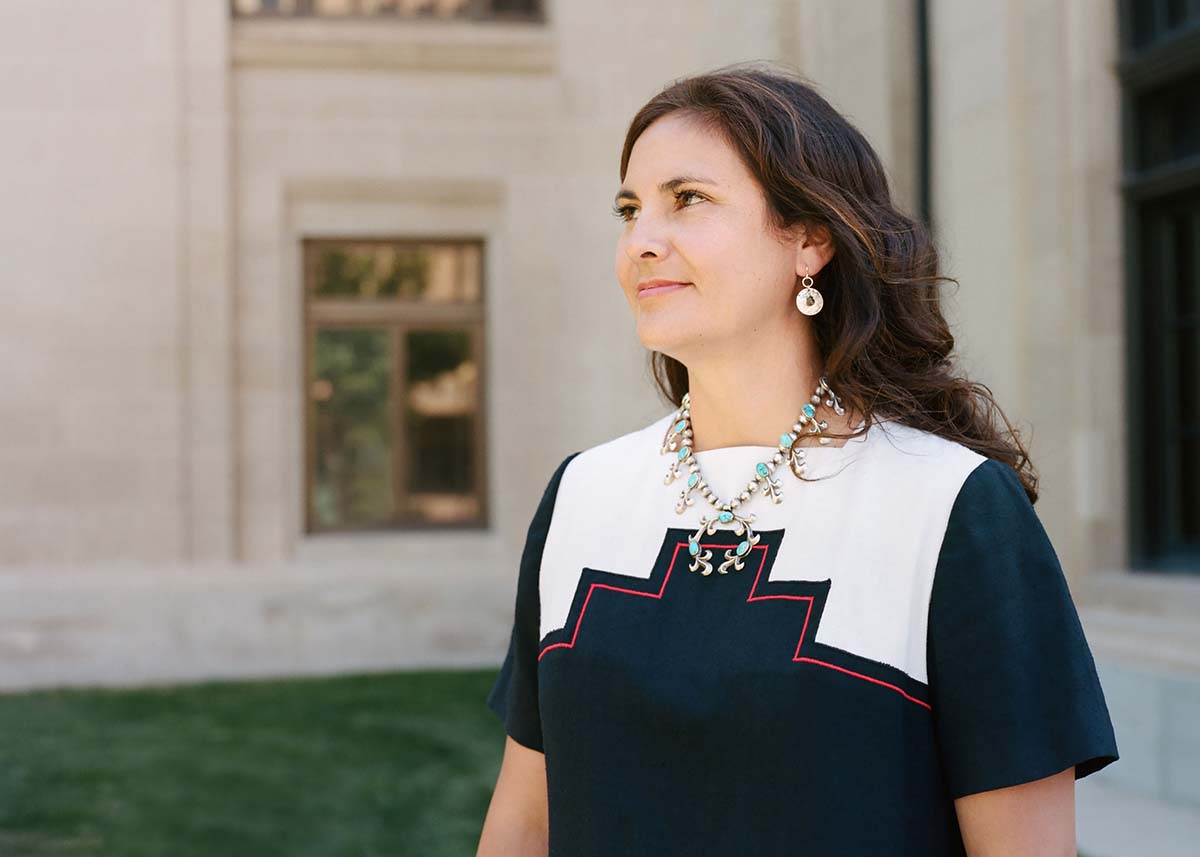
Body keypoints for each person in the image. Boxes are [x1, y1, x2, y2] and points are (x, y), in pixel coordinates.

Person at [476, 62, 1118, 857]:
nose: (642, 241)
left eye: (689, 199)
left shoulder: (950, 509)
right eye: (629, 208)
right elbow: (522, 823)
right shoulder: (582, 494)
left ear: (810, 238)